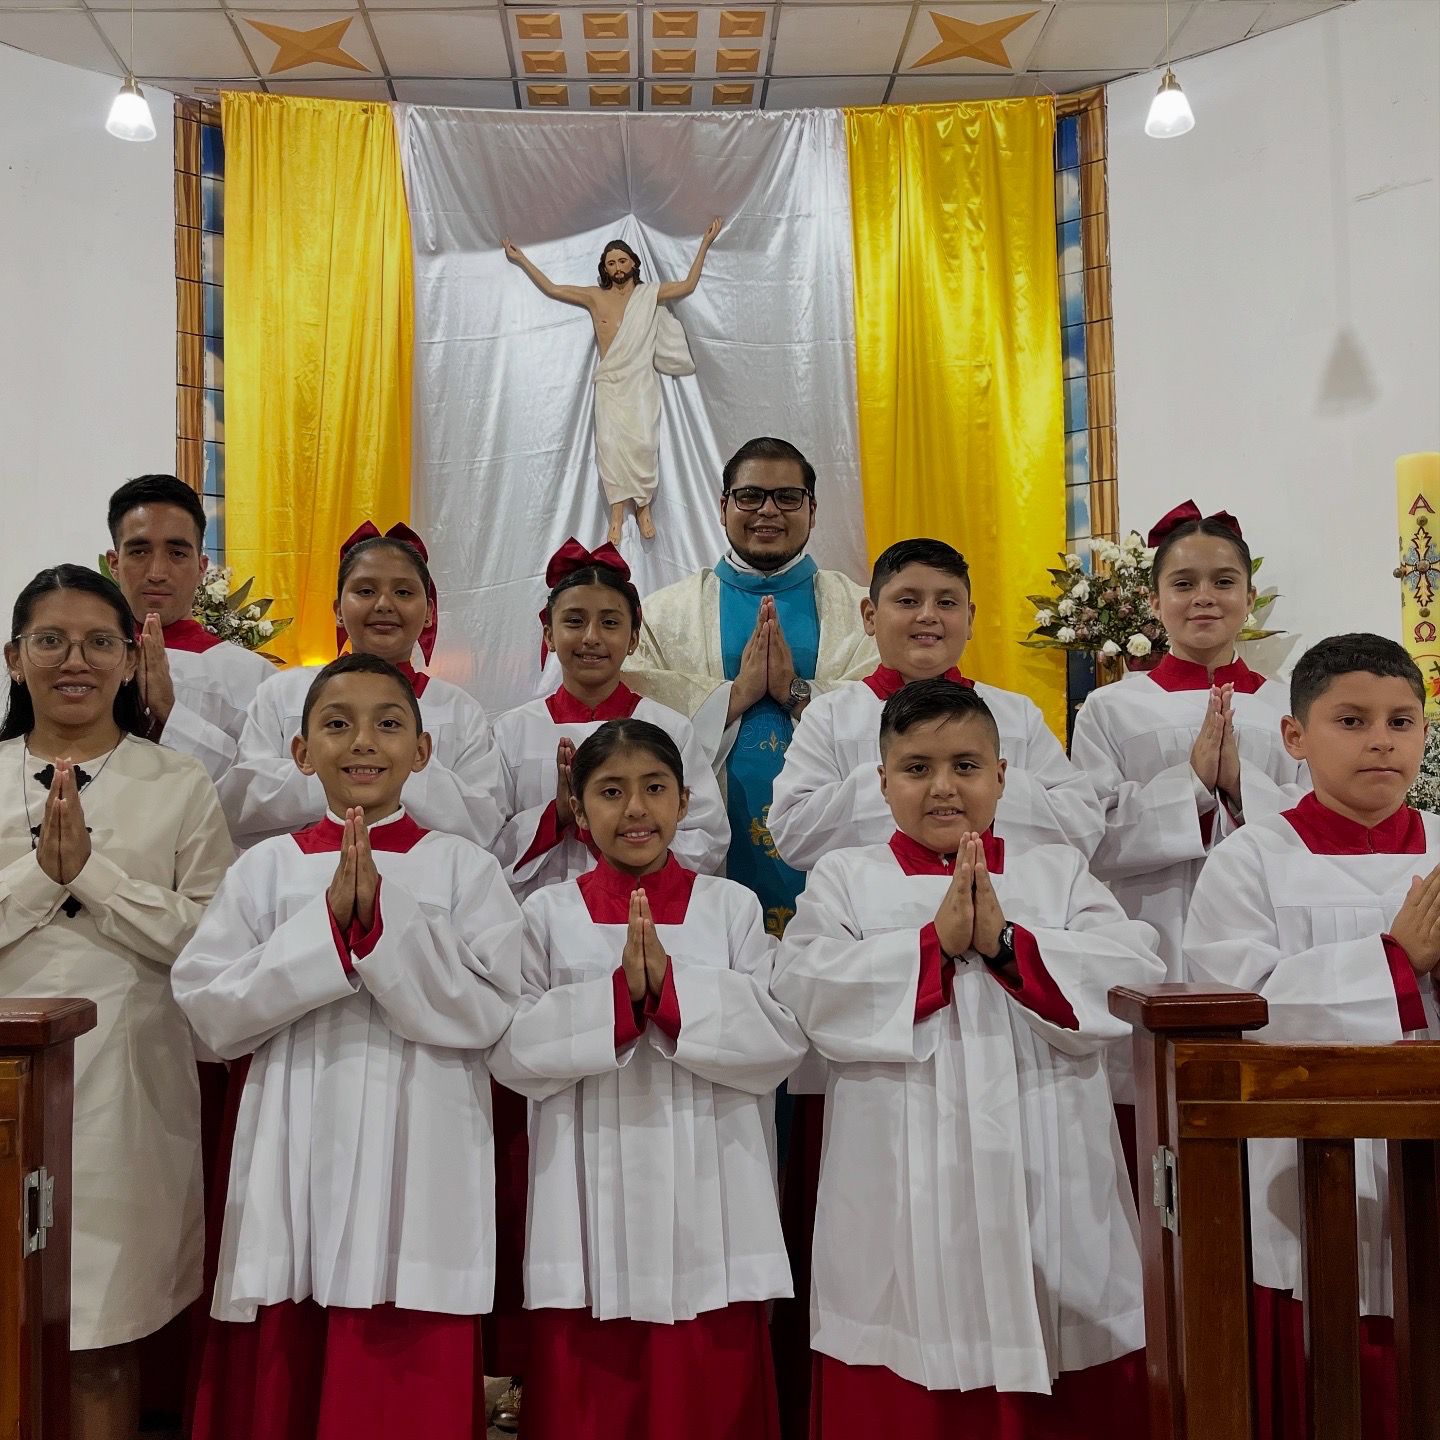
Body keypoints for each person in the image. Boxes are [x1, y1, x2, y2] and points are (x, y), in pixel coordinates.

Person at [772, 680, 1161, 1437]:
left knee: (1066, 1323)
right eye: (916, 768)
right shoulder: (846, 879)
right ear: (880, 781)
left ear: (1002, 777)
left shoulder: (1058, 874)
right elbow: (804, 987)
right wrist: (934, 947)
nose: (943, 787)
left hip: (1046, 1155)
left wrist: (1009, 946)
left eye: (965, 765)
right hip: (905, 1167)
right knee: (906, 1339)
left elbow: (1132, 970)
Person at [172, 653, 524, 1440]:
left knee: (407, 1346)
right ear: (300, 754)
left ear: (423, 751)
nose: (363, 741)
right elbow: (209, 1008)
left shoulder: (465, 869)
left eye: (388, 724)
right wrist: (325, 933)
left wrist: (376, 929)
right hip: (295, 1140)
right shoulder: (263, 869)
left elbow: (496, 1014)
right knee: (286, 1343)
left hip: (423, 1143)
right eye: (337, 724)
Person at [488, 719, 806, 1440]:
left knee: (708, 1376)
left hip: (712, 1189)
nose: (635, 809)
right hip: (587, 1185)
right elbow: (509, 1049)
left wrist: (669, 995)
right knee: (592, 1378)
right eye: (610, 791)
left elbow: (778, 1038)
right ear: (577, 806)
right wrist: (616, 1003)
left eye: (654, 788)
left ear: (686, 800)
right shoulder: (545, 913)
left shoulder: (731, 908)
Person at [0, 564, 232, 1439]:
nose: (76, 661)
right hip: (4, 1097)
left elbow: (213, 944)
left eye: (101, 642)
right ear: (14, 659)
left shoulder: (176, 785)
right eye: (50, 641)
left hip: (128, 1096)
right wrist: (37, 881)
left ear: (132, 661)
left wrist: (92, 877)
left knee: (104, 1340)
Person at [1185, 633, 1435, 1440]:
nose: (1380, 741)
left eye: (1402, 721)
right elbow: (1240, 1008)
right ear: (1295, 738)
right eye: (1352, 720)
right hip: (1311, 1164)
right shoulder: (1252, 859)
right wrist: (1395, 963)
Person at [624, 436, 877, 937]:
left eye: (787, 497)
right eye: (750, 496)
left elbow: (890, 717)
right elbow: (635, 719)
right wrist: (734, 696)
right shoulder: (664, 613)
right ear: (723, 508)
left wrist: (794, 692)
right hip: (712, 846)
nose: (768, 510)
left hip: (836, 855)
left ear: (812, 509)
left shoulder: (864, 611)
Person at [1071, 501, 1308, 980]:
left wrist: (1241, 790)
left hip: (1267, 922)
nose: (1204, 596)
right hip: (1150, 922)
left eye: (1223, 581)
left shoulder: (1290, 707)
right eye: (1183, 584)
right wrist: (1195, 785)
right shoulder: (1111, 707)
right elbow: (1090, 836)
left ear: (1250, 596)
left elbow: (1316, 821)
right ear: (1154, 601)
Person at [768, 538, 1104, 872]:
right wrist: (907, 789)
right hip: (876, 911)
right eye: (908, 601)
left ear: (970, 619)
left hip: (1005, 903)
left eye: (946, 603)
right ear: (870, 616)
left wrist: (976, 790)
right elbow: (793, 833)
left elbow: (1081, 827)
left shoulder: (1016, 715)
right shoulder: (830, 716)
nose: (928, 615)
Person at [221, 522, 506, 848]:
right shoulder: (281, 694)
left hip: (420, 884)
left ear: (429, 613)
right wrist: (358, 773)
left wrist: (360, 772)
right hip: (303, 879)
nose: (384, 604)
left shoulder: (460, 711)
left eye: (403, 592)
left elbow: (484, 824)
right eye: (365, 591)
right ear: (338, 611)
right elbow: (242, 807)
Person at [493, 538, 729, 901]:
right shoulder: (511, 731)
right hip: (540, 920)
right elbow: (487, 843)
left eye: (609, 623)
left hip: (648, 910)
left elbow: (707, 834)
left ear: (633, 637)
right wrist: (558, 814)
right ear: (549, 634)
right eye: (574, 621)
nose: (591, 637)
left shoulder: (669, 727)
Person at [504, 222, 722, 544]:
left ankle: (644, 506)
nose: (617, 268)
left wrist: (705, 242)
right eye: (611, 263)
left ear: (633, 263)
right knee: (609, 446)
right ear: (604, 269)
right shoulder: (595, 297)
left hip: (640, 382)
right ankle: (617, 515)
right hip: (609, 382)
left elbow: (688, 285)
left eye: (622, 261)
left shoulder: (648, 294)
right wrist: (522, 259)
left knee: (644, 444)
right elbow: (552, 288)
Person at [106, 473, 276, 789]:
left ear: (201, 566)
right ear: (114, 563)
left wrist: (170, 713)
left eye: (177, 553)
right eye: (139, 551)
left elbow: (264, 794)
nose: (157, 573)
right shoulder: (80, 662)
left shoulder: (253, 678)